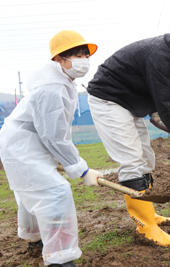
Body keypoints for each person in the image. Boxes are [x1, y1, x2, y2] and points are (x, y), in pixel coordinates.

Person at [87, 7, 170, 247]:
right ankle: (145, 225)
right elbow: (169, 109)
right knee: (131, 159)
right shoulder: (160, 54)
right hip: (109, 99)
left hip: (130, 101)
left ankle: (149, 214)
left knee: (145, 157)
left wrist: (152, 109)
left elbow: (157, 89)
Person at [0, 30, 102, 267]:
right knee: (55, 192)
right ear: (58, 59)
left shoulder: (62, 81)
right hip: (21, 147)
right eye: (76, 54)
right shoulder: (51, 88)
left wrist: (66, 160)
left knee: (31, 192)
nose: (83, 60)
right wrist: (82, 170)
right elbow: (54, 136)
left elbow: (54, 133)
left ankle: (35, 239)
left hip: (26, 144)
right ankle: (60, 259)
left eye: (85, 54)